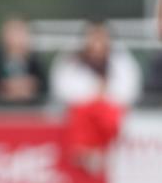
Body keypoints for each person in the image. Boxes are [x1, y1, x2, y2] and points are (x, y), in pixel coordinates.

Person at [49, 20, 142, 174]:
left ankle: (99, 151)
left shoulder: (120, 61)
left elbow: (130, 89)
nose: (97, 43)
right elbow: (63, 89)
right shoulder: (71, 60)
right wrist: (94, 92)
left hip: (110, 111)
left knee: (108, 113)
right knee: (84, 111)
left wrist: (104, 94)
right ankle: (87, 152)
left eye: (101, 37)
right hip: (83, 110)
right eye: (93, 37)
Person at [0, 17, 47, 106]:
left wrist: (31, 87)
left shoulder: (35, 63)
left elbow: (44, 89)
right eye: (14, 33)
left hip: (29, 113)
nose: (17, 38)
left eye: (20, 33)